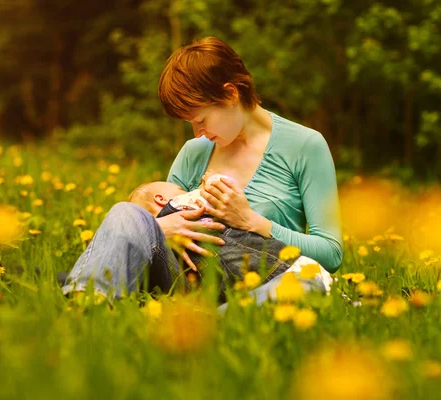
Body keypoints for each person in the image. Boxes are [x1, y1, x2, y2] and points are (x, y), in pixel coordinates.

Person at [62, 36, 343, 302]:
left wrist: (251, 221)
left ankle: (221, 320)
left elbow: (331, 253)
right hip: (189, 284)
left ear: (231, 94)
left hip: (262, 281)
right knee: (125, 212)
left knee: (305, 287)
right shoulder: (194, 152)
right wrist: (162, 228)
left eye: (201, 119)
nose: (197, 133)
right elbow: (162, 228)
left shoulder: (305, 146)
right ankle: (87, 303)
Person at [127, 176, 332, 303]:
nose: (183, 192)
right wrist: (210, 182)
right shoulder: (177, 205)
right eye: (179, 190)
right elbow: (216, 194)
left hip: (250, 277)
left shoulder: (163, 244)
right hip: (278, 266)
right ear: (161, 199)